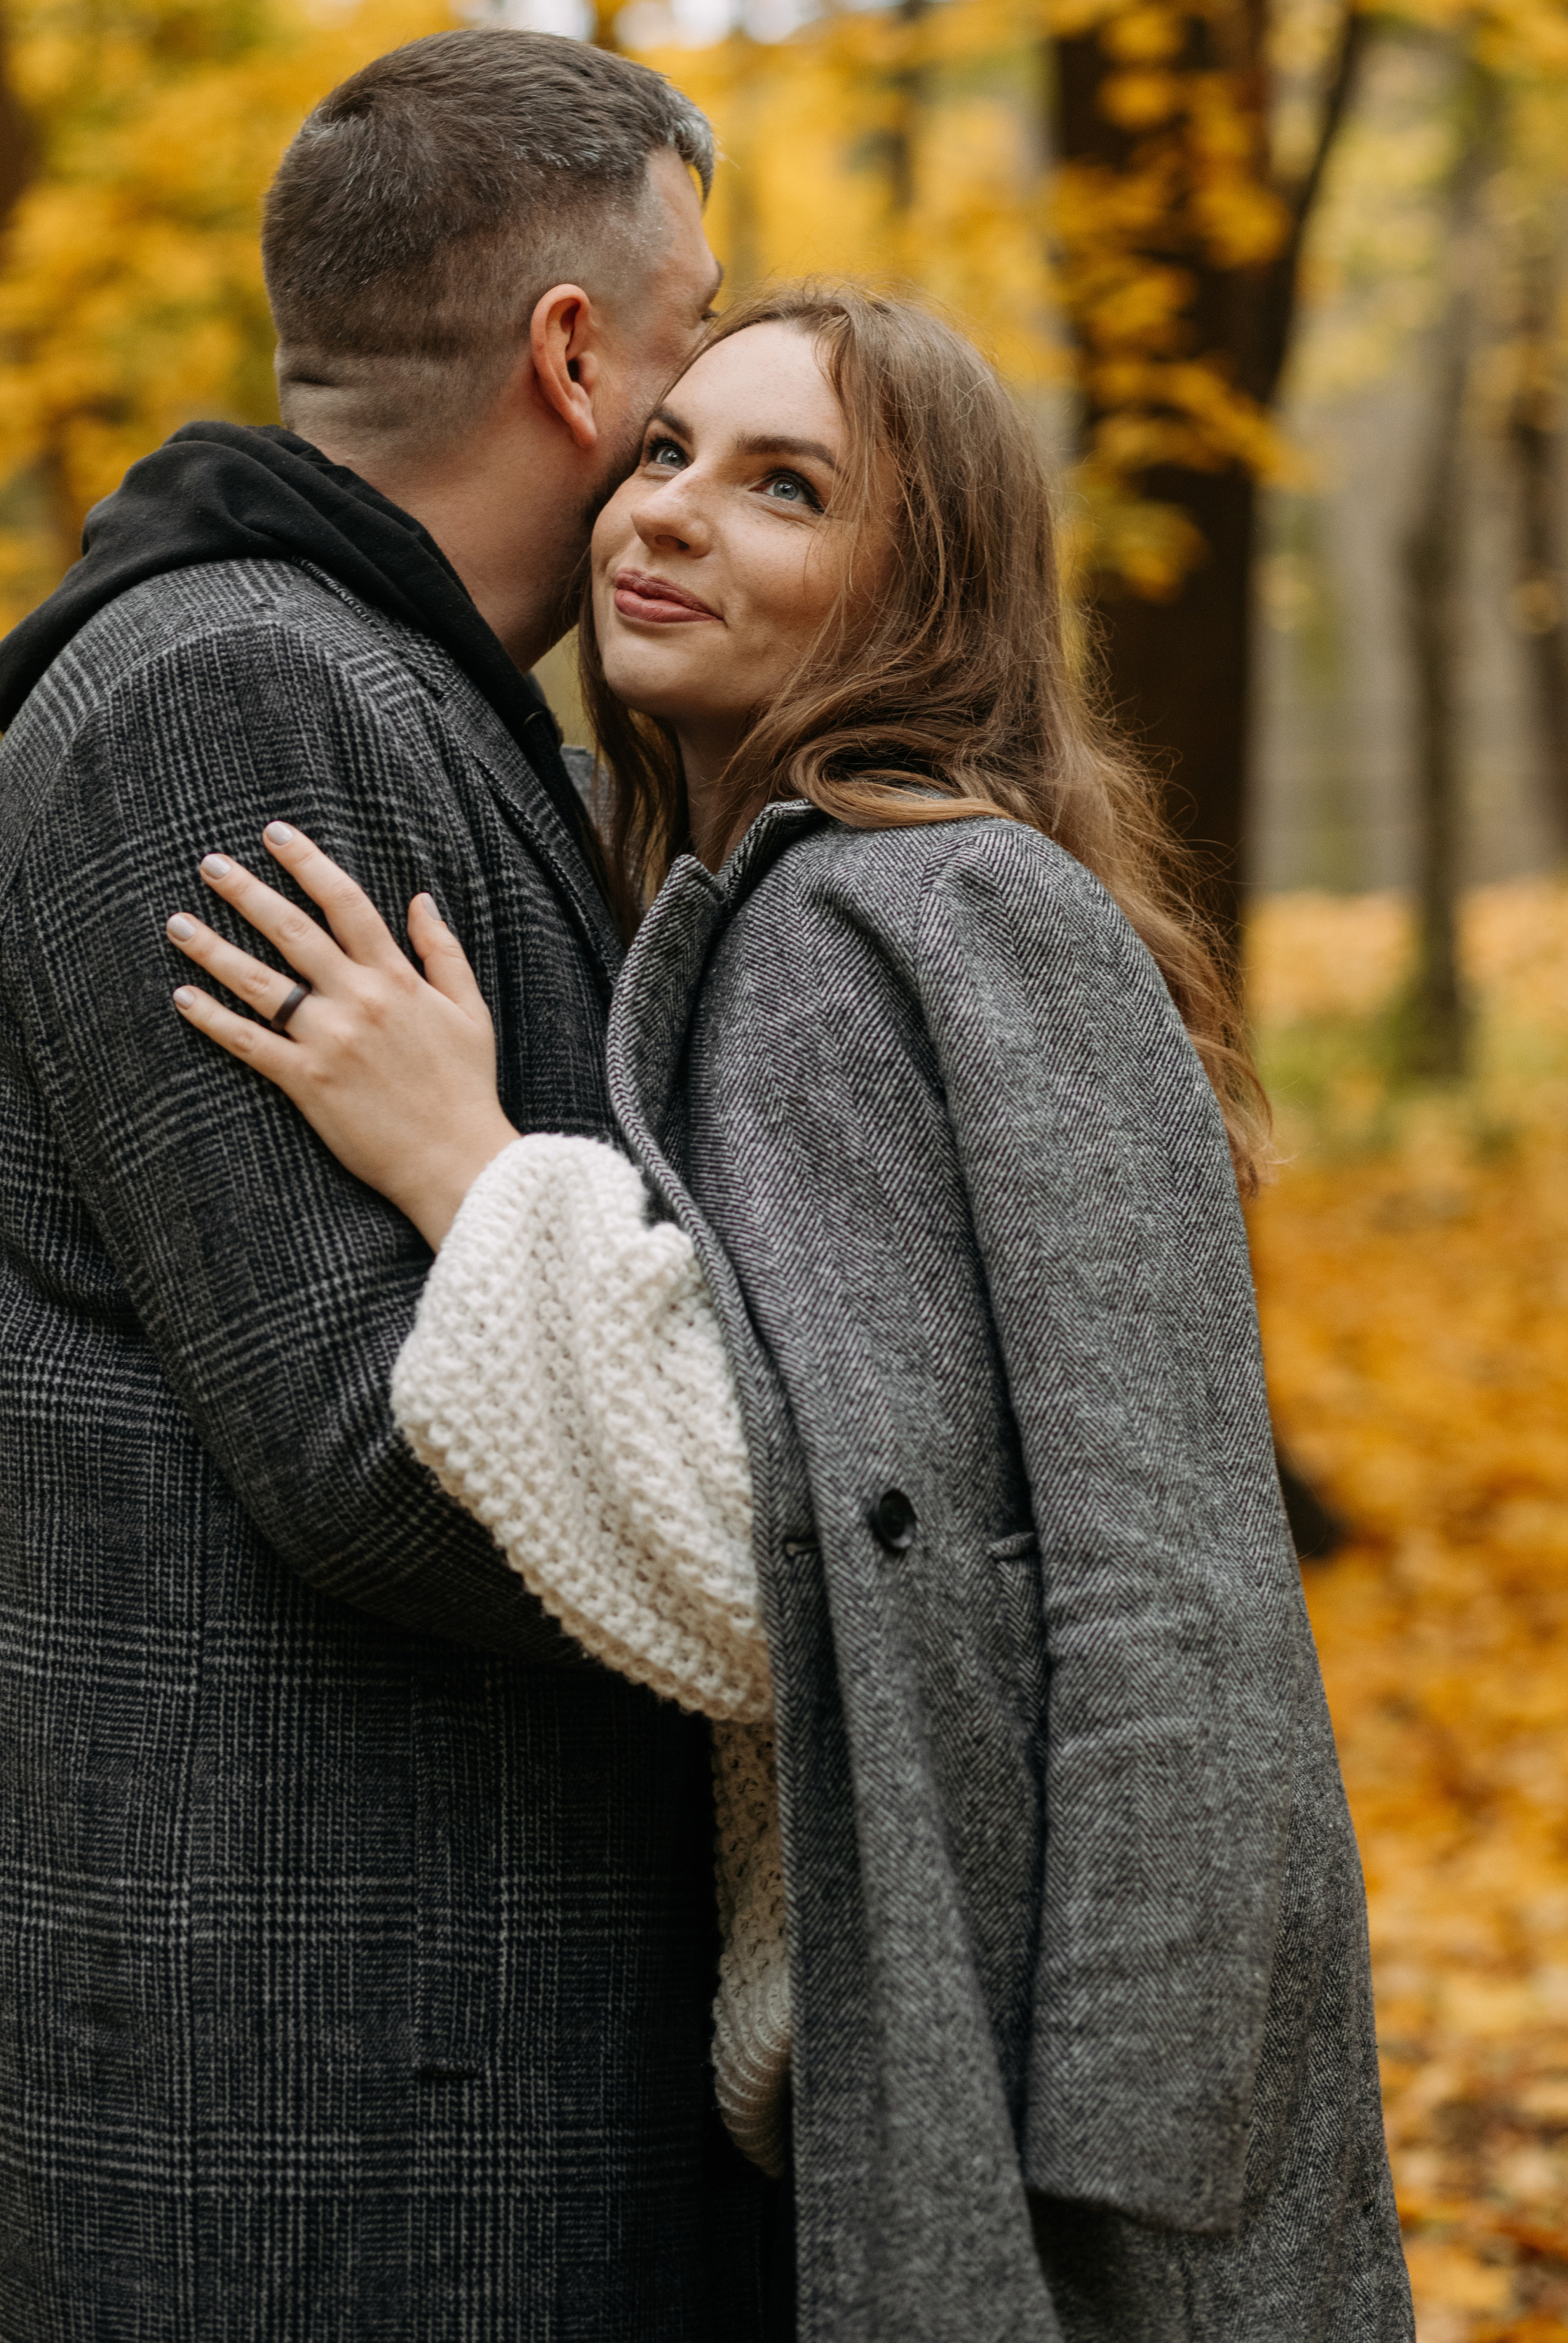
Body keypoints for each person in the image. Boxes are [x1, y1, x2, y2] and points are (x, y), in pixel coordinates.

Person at [165, 285, 1415, 2341]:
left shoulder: (932, 907)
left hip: (1050, 2070)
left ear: (920, 594)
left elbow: (1117, 1547)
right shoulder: (779, 909)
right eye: (666, 451)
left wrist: (466, 1167)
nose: (669, 511)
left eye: (787, 489)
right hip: (924, 2032)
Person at [0, 30, 788, 2343]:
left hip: (392, 2036)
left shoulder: (387, 692)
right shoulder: (237, 706)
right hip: (303, 2078)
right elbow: (383, 1454)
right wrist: (818, 1519)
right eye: (686, 356)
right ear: (572, 355)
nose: (689, 429)